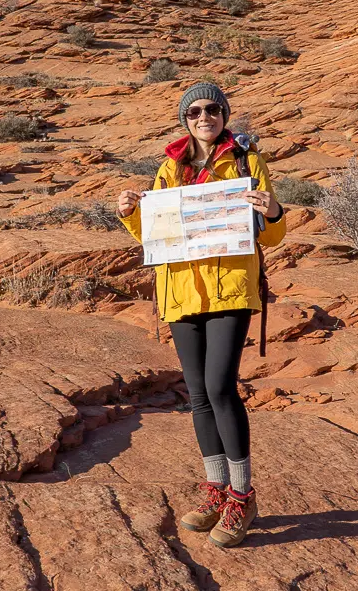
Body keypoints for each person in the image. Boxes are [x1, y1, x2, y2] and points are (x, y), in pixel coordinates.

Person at [117, 81, 285, 548]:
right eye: (194, 111)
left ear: (224, 114)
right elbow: (154, 235)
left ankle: (242, 495)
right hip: (181, 293)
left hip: (229, 288)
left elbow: (269, 237)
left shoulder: (249, 162)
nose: (203, 117)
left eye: (212, 109)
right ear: (184, 119)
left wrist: (273, 211)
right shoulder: (169, 167)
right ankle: (215, 489)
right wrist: (131, 213)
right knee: (197, 394)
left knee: (220, 387)